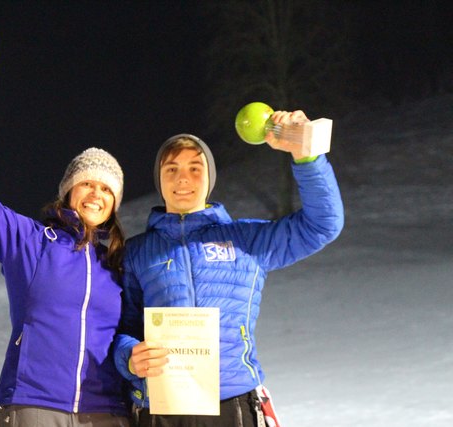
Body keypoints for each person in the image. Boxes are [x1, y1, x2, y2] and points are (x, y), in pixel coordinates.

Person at [113, 110, 344, 427]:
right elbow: (122, 328)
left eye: (196, 168)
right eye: (172, 169)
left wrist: (306, 157)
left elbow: (322, 226)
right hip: (160, 409)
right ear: (160, 179)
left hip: (232, 405)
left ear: (210, 179)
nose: (183, 178)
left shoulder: (247, 239)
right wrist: (130, 358)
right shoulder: (137, 252)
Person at [0, 66, 130, 427]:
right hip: (34, 406)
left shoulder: (121, 262)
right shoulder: (31, 242)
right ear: (68, 191)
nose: (96, 194)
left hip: (107, 413)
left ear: (115, 203)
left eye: (106, 189)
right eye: (87, 184)